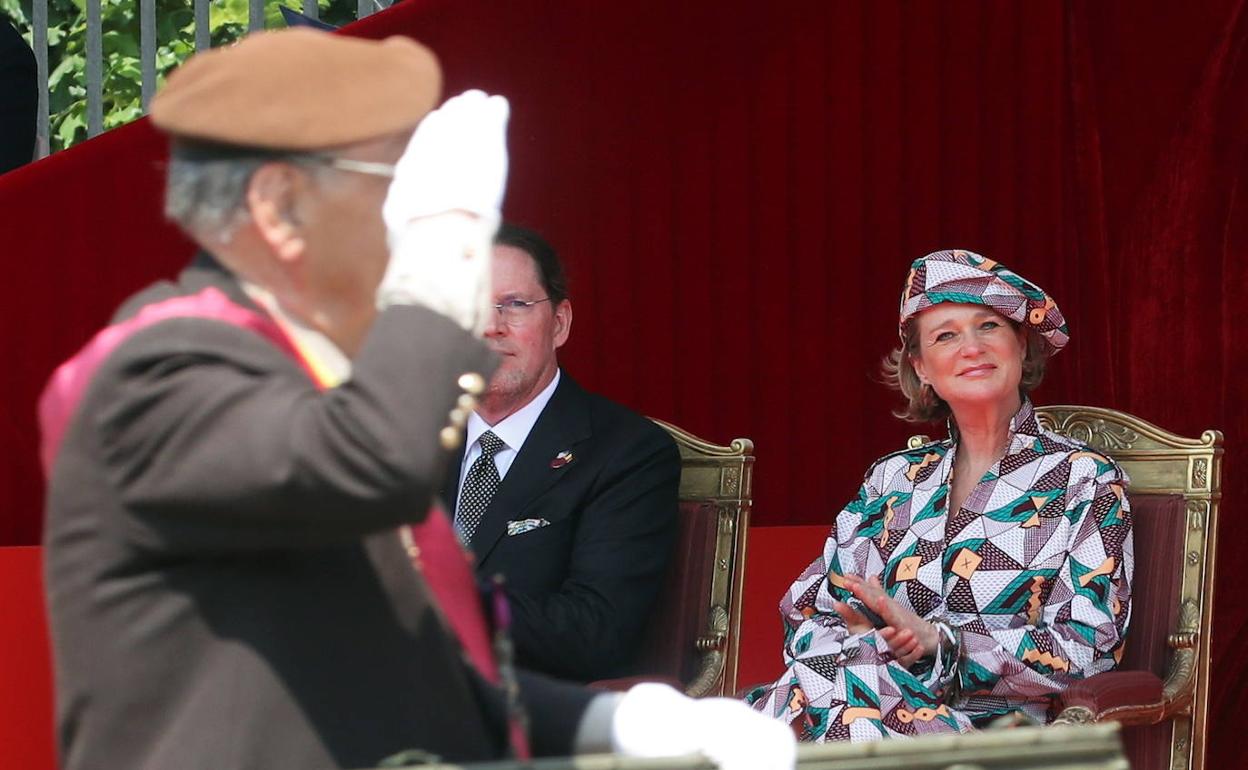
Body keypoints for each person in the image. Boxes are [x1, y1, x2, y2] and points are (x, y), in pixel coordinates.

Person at [38, 28, 794, 770]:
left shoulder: (316, 389)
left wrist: (620, 723)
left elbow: (405, 669)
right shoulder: (150, 374)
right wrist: (442, 253)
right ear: (277, 206)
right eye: (389, 191)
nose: (406, 236)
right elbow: (365, 468)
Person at [747, 249, 1134, 742]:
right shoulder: (894, 480)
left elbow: (1088, 645)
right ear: (922, 367)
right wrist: (870, 646)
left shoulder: (1084, 477)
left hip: (1000, 734)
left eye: (988, 326)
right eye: (945, 335)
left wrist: (941, 645)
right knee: (840, 680)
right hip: (855, 704)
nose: (970, 347)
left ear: (1021, 344)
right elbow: (811, 611)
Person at [442, 222, 680, 681]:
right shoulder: (409, 441)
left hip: (521, 714)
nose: (491, 327)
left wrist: (445, 599)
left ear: (560, 323)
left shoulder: (627, 453)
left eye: (513, 305)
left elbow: (597, 633)